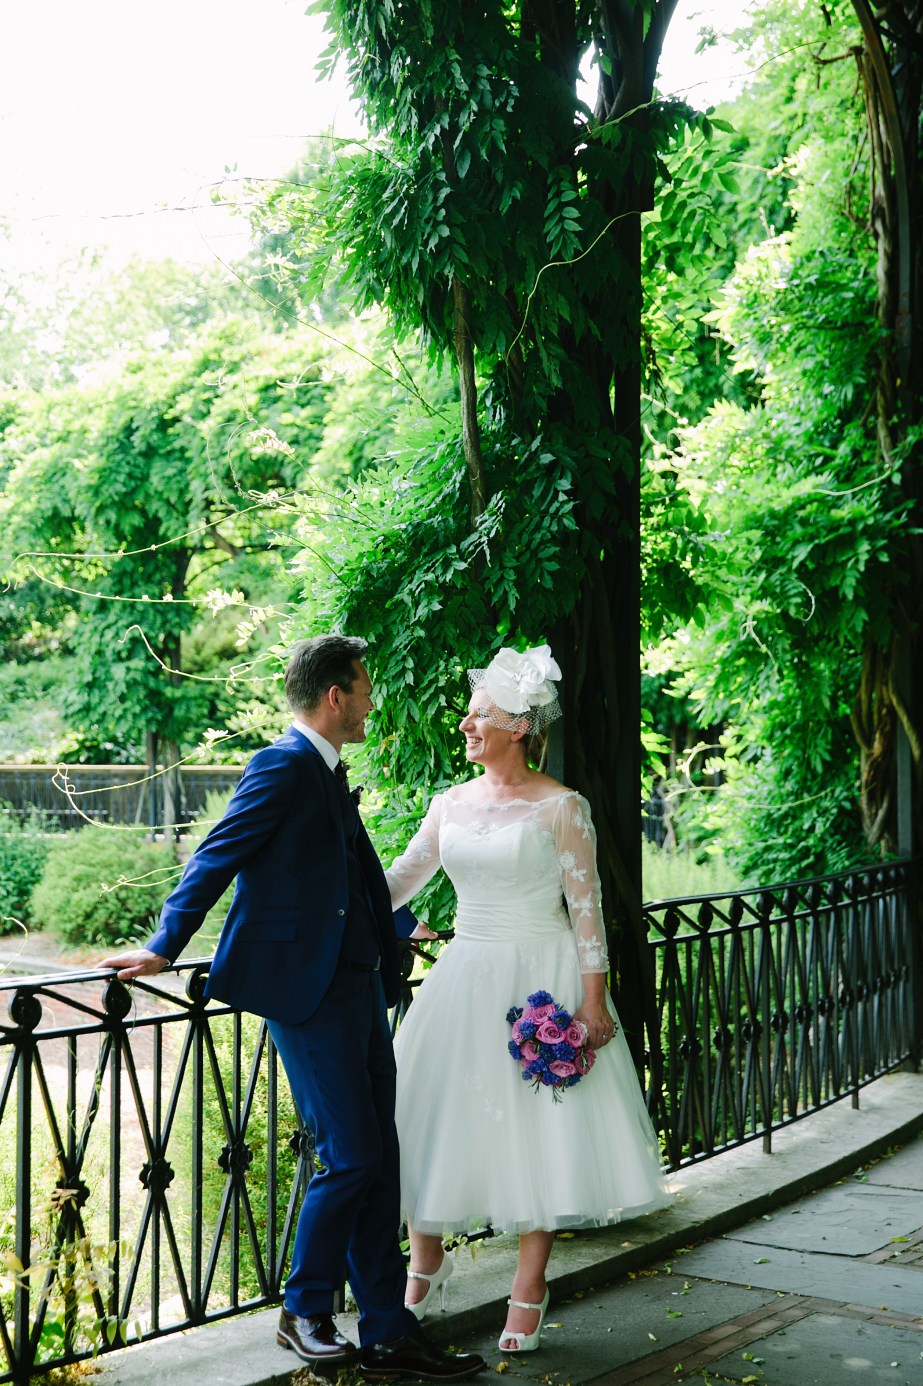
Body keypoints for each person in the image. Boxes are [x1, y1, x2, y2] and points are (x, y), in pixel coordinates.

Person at [100, 635, 485, 1383]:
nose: (373, 701)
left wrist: (397, 931)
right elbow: (219, 854)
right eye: (365, 689)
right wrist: (164, 945)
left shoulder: (326, 771)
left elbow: (345, 877)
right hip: (305, 995)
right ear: (335, 696)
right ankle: (302, 1311)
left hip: (358, 987)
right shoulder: (282, 765)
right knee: (352, 1156)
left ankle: (385, 1333)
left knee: (381, 1162)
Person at [384, 644, 670, 1354]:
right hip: (463, 973)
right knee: (428, 1111)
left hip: (541, 979)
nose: (465, 726)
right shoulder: (447, 804)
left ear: (518, 727)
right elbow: (394, 882)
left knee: (537, 1127)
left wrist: (593, 1003)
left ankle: (527, 1286)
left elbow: (586, 910)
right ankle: (425, 1260)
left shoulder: (561, 807)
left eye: (478, 715)